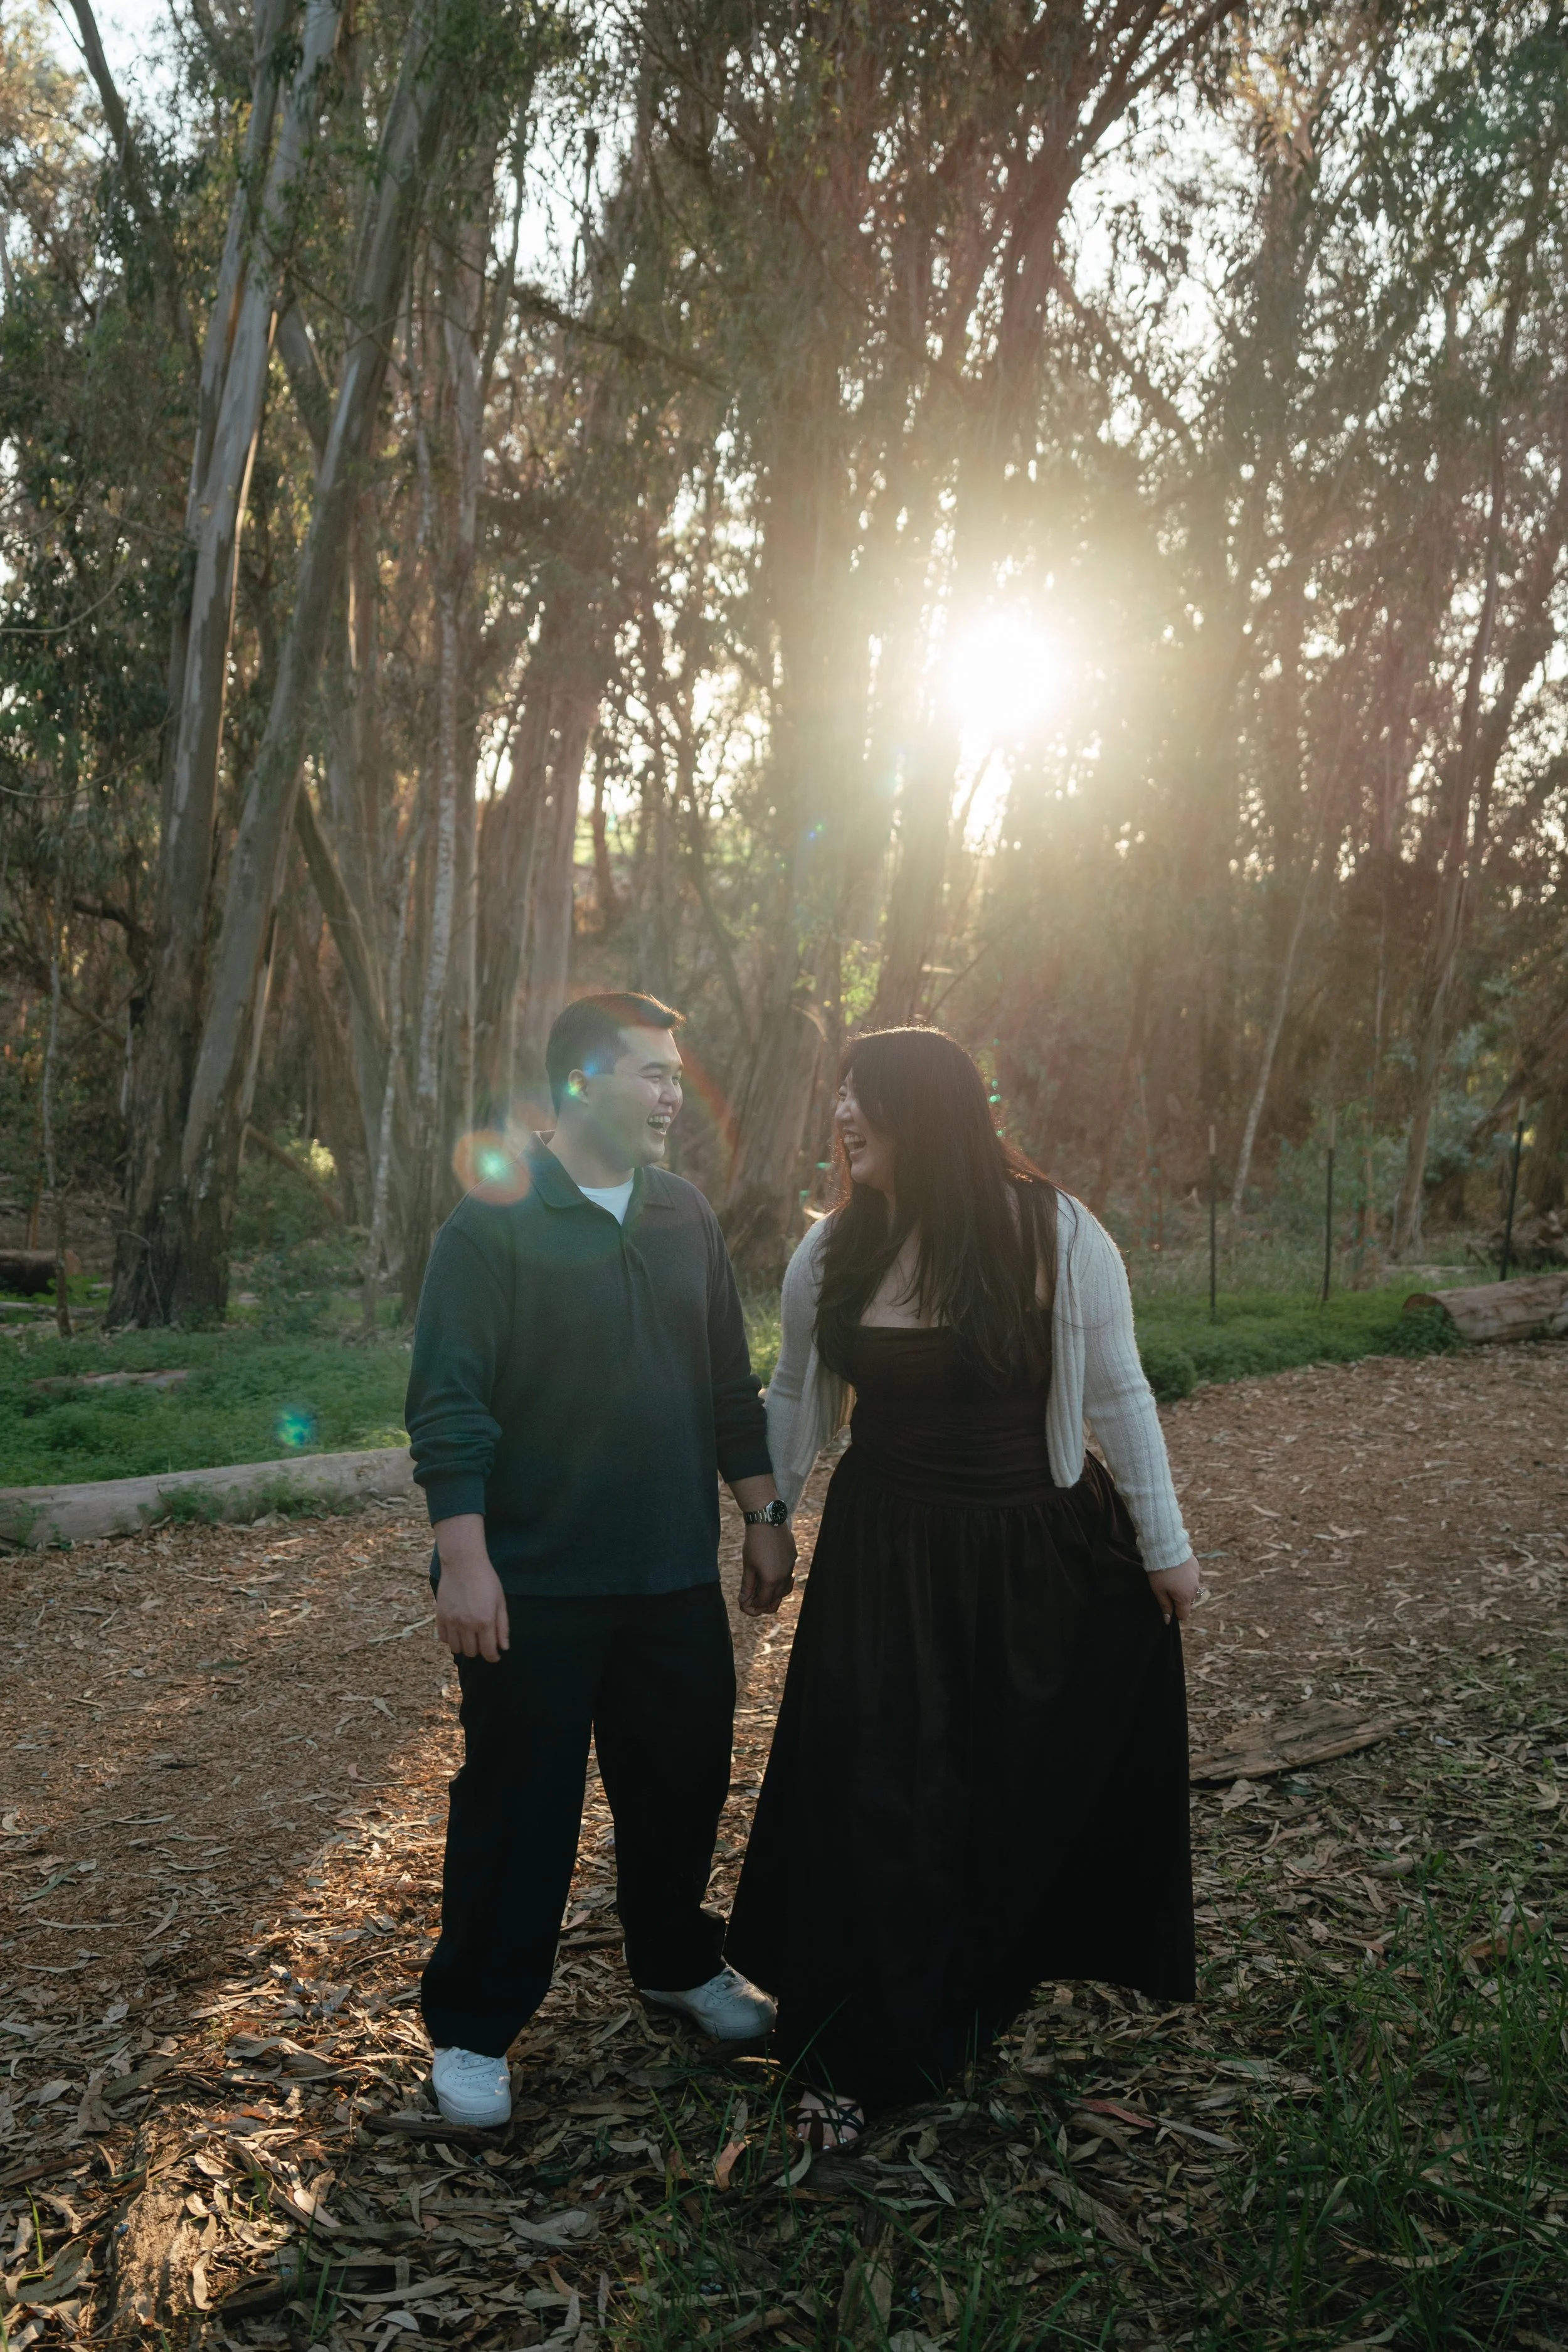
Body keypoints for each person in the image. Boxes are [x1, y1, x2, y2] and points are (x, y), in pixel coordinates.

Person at [725, 1026, 1199, 2145]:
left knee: (999, 1786)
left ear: (926, 1115)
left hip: (1036, 1557)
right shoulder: (833, 1251)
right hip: (886, 1563)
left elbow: (1120, 1398)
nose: (843, 1113)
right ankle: (845, 2049)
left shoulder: (1057, 1232)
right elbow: (796, 1392)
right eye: (839, 1091)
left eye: (866, 1096)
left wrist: (1168, 1550)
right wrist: (769, 1519)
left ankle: (969, 1992)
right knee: (877, 1794)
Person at [406, 991, 797, 2129]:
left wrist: (763, 1511)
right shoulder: (494, 1220)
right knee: (519, 1812)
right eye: (650, 1072)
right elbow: (449, 1404)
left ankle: (677, 1963)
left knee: (680, 1786)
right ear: (584, 1082)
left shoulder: (686, 1216)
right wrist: (464, 1559)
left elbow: (730, 1386)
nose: (673, 1092)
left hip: (669, 1576)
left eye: (677, 1073)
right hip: (534, 1585)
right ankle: (476, 2029)